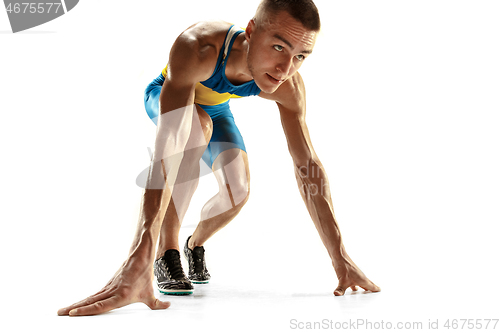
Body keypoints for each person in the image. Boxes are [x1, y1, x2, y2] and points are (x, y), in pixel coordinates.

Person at [57, 0, 380, 316]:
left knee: (237, 191)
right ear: (251, 31)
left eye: (300, 56)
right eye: (278, 48)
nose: (285, 68)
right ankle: (163, 252)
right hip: (168, 97)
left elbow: (307, 167)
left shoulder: (287, 84)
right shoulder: (199, 47)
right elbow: (168, 145)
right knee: (197, 127)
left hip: (216, 109)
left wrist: (340, 257)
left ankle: (193, 244)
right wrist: (140, 248)